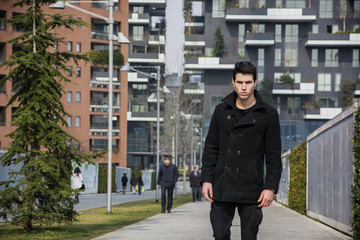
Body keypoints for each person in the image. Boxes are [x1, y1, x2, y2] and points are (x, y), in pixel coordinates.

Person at [201, 61, 282, 240]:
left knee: (249, 237)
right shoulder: (221, 111)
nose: (243, 87)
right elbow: (211, 147)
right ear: (233, 82)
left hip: (252, 187)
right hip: (222, 185)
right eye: (239, 82)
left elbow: (274, 156)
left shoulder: (268, 115)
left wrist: (270, 187)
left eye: (248, 82)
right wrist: (207, 179)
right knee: (220, 235)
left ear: (255, 83)